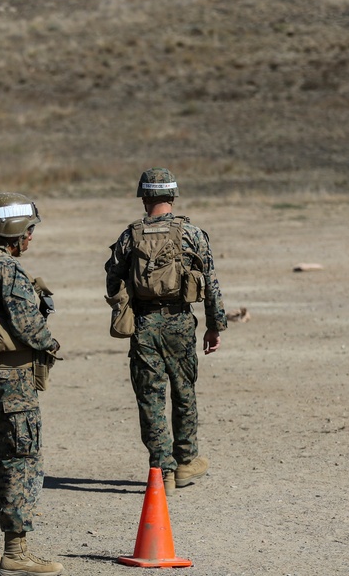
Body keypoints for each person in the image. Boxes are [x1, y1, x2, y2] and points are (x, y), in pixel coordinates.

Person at [104, 168, 227, 495]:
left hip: (144, 326)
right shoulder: (193, 234)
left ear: (144, 197)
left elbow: (111, 280)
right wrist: (214, 327)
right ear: (172, 196)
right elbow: (211, 285)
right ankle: (186, 461)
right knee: (184, 392)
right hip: (180, 323)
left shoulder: (130, 236)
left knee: (151, 397)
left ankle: (162, 470)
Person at [0, 193, 63, 575]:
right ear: (16, 232)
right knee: (21, 461)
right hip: (11, 383)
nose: (31, 237)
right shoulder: (8, 270)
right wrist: (50, 341)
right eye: (30, 230)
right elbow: (28, 327)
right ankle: (16, 554)